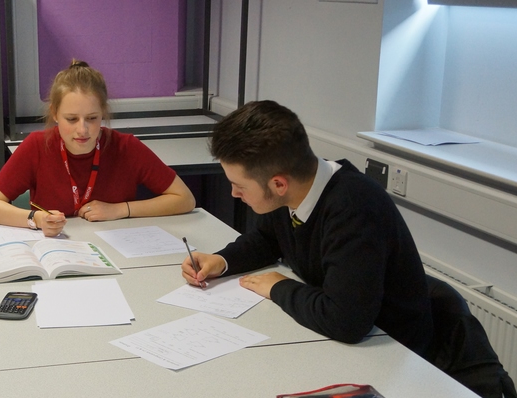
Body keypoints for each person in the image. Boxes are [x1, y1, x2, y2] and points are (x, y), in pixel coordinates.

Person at [182, 99, 434, 358]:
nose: (234, 193)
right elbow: (267, 240)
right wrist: (222, 260)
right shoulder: (298, 185)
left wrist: (279, 287)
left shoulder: (354, 207)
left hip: (394, 353)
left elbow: (346, 321)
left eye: (240, 186)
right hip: (343, 343)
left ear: (279, 184)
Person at [0, 60, 196, 237]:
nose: (82, 129)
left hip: (118, 249)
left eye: (92, 118)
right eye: (71, 119)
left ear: (103, 112)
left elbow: (185, 199)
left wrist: (121, 210)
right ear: (54, 113)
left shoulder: (126, 147)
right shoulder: (37, 146)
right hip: (57, 249)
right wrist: (34, 219)